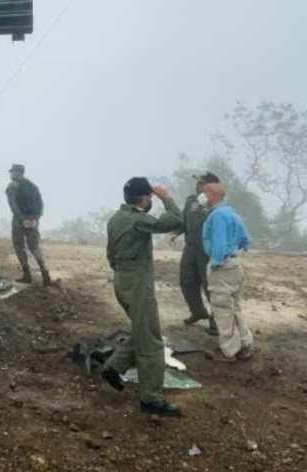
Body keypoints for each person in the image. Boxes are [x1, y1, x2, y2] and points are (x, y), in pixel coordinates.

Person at [97, 177, 184, 416]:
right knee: (152, 343)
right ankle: (151, 398)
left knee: (143, 331)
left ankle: (113, 367)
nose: (151, 202)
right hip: (137, 284)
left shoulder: (115, 218)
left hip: (122, 279)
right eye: (150, 198)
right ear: (144, 199)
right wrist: (166, 197)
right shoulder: (138, 220)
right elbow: (176, 220)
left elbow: (110, 254)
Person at [200, 183, 254, 363]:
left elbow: (219, 241)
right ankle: (245, 344)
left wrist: (216, 262)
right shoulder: (232, 213)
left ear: (212, 194)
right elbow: (246, 240)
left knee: (222, 309)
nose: (201, 196)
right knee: (235, 307)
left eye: (204, 192)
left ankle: (229, 351)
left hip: (222, 265)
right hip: (235, 264)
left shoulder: (217, 215)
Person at [168, 172, 218, 337]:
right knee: (186, 281)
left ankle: (216, 321)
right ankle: (198, 311)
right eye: (197, 183)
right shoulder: (191, 200)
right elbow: (184, 221)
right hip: (190, 249)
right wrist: (176, 232)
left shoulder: (217, 204)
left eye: (202, 183)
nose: (197, 185)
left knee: (210, 286)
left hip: (208, 251)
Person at [6, 164, 50, 285]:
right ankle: (45, 273)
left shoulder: (12, 186)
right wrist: (36, 219)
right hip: (33, 220)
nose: (11, 174)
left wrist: (22, 219)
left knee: (19, 246)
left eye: (13, 172)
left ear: (19, 172)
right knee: (34, 246)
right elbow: (40, 204)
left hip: (20, 221)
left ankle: (27, 275)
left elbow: (13, 205)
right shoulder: (33, 186)